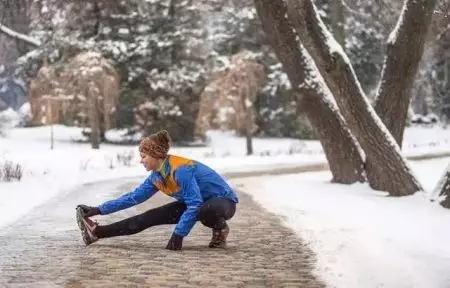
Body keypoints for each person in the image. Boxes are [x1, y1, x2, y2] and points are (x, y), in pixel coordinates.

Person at [76, 130, 238, 251]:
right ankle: (98, 233)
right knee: (148, 217)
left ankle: (220, 228)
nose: (141, 161)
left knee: (203, 209)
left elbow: (194, 204)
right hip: (199, 204)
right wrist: (97, 210)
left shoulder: (181, 170)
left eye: (144, 156)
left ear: (156, 154)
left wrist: (178, 236)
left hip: (223, 203)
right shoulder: (156, 176)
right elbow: (132, 198)